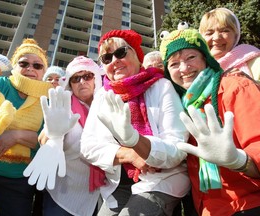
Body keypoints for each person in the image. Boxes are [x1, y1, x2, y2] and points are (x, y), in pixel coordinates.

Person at [80, 29, 190, 216]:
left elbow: (177, 146)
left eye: (121, 52)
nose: (114, 61)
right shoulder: (102, 96)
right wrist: (130, 154)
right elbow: (88, 146)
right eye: (107, 58)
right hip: (118, 184)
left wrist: (142, 146)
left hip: (161, 178)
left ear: (138, 56)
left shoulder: (161, 86)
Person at [160, 28, 260, 216]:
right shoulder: (179, 106)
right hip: (206, 209)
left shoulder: (235, 86)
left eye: (190, 57)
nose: (184, 68)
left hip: (248, 204)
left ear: (205, 58)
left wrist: (239, 161)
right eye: (174, 64)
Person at [0, 38, 53, 216]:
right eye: (24, 63)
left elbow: (46, 143)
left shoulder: (49, 100)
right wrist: (28, 136)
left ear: (43, 71)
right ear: (15, 67)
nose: (30, 68)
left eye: (37, 65)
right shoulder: (0, 84)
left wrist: (15, 135)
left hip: (18, 179)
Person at [24, 56, 103, 216]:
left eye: (87, 76)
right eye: (76, 78)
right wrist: (54, 136)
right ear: (70, 84)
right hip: (62, 192)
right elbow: (44, 137)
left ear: (96, 79)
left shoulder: (104, 105)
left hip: (95, 194)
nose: (82, 81)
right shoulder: (63, 104)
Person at [199, 7, 260, 81]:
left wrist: (251, 83)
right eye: (209, 33)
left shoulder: (255, 62)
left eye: (224, 31)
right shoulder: (196, 67)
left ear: (236, 35)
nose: (216, 37)